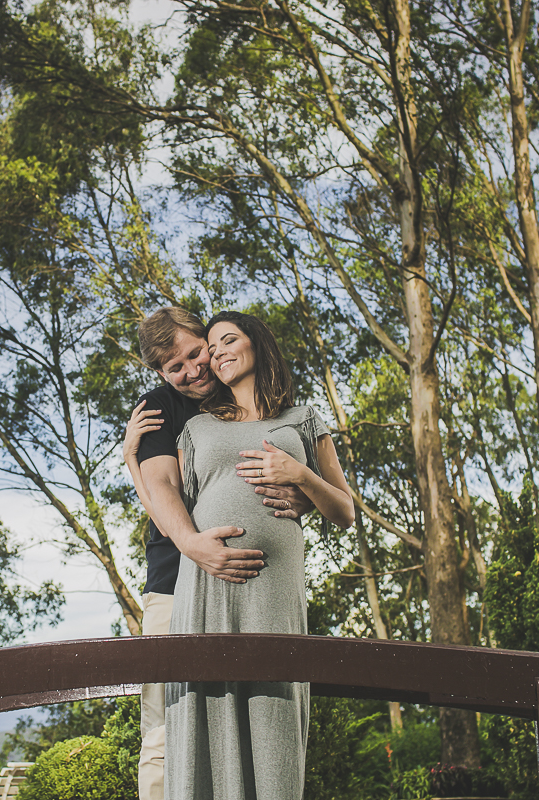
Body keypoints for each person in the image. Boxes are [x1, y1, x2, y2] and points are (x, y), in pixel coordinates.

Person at [162, 310, 354, 800]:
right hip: (207, 583)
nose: (219, 351)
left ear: (257, 343)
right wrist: (129, 457)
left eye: (229, 339)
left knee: (275, 700)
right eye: (213, 345)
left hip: (274, 587)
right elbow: (172, 503)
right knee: (202, 700)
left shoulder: (302, 419)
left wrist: (301, 476)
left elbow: (346, 511)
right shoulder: (197, 426)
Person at [124, 307, 314, 800]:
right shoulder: (159, 408)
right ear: (159, 374)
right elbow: (162, 484)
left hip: (259, 593)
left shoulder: (245, 388)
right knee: (169, 726)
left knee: (264, 711)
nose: (193, 370)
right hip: (174, 586)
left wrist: (304, 499)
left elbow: (280, 477)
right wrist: (191, 545)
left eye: (195, 353)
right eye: (175, 367)